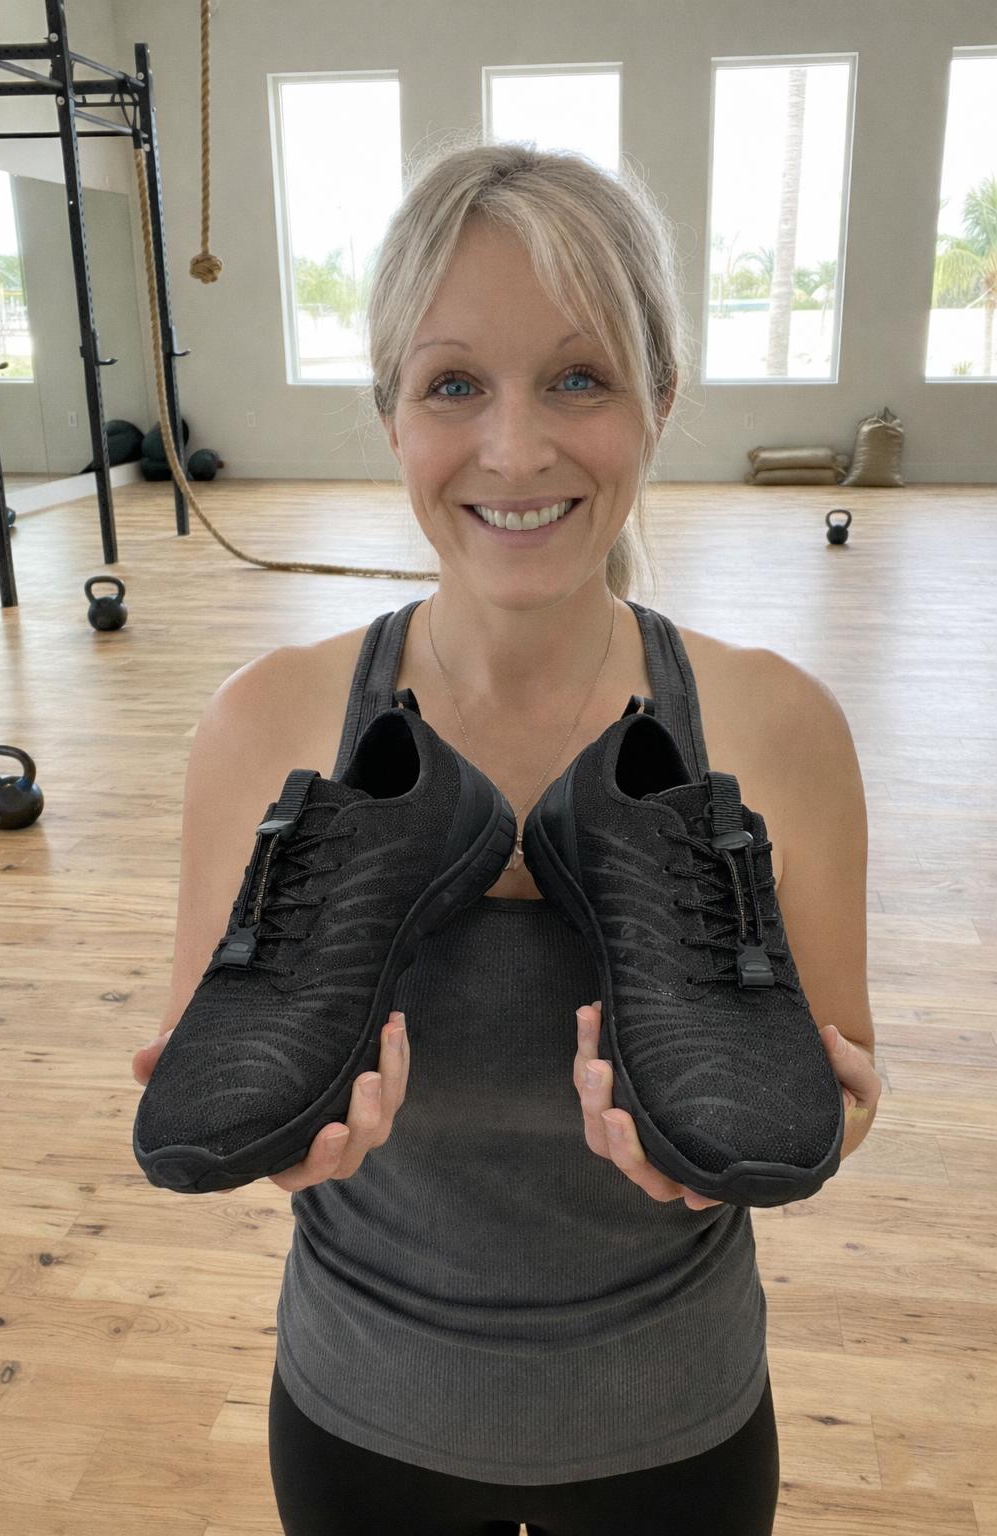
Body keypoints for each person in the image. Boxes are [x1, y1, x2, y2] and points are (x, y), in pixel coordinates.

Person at [135, 139, 879, 1535]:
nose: (517, 448)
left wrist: (828, 1110)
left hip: (676, 1420)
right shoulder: (265, 724)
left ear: (660, 399)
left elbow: (827, 1078)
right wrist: (277, 1137)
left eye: (580, 378)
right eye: (455, 383)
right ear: (392, 415)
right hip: (364, 1414)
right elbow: (207, 1062)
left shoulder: (776, 729)